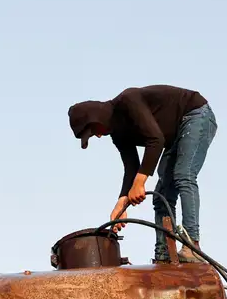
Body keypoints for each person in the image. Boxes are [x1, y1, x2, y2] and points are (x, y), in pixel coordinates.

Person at [68, 85, 217, 263]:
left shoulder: (127, 101)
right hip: (175, 135)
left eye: (93, 131)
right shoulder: (118, 135)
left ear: (96, 117)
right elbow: (132, 167)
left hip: (195, 114)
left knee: (183, 175)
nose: (98, 136)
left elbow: (156, 140)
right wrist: (121, 202)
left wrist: (139, 183)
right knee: (162, 195)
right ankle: (164, 255)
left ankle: (192, 245)